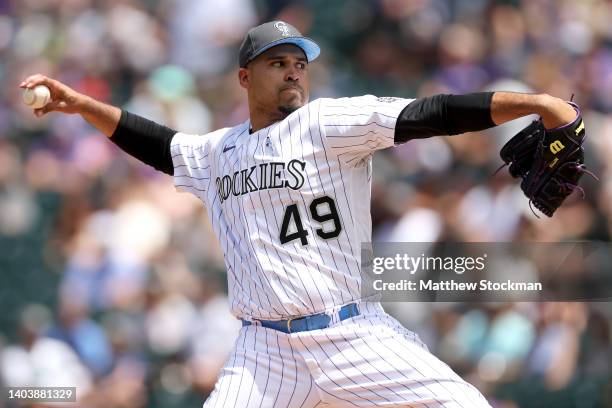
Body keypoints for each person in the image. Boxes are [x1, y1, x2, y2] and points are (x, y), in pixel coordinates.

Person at [21, 20, 579, 407]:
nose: (293, 72)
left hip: (355, 333)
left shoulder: (328, 122)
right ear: (245, 77)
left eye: (298, 63)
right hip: (265, 354)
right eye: (277, 63)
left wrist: (533, 103)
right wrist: (80, 105)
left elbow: (429, 114)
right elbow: (156, 143)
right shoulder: (216, 152)